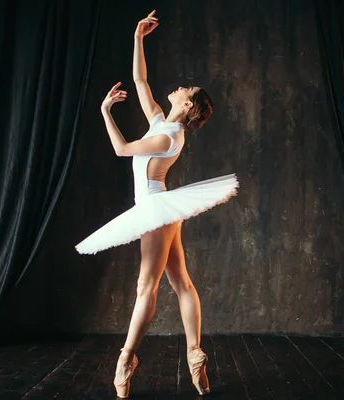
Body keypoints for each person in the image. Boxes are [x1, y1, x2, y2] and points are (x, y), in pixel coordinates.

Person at [75, 10, 238, 398]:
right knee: (180, 281)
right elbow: (140, 79)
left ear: (189, 107)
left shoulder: (168, 138)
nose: (179, 87)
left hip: (155, 208)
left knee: (145, 286)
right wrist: (138, 37)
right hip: (159, 209)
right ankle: (195, 352)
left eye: (185, 90)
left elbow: (120, 149)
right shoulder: (162, 122)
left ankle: (126, 357)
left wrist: (103, 111)